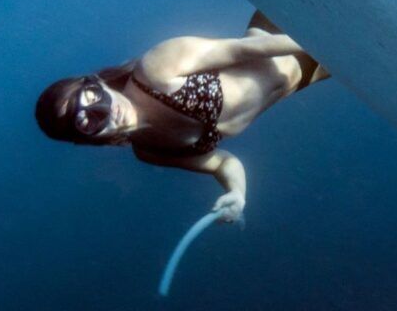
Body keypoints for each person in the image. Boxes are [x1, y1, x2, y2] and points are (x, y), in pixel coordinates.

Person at [34, 12, 327, 223]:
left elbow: (243, 49)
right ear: (88, 139)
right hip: (305, 76)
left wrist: (321, 41)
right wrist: (238, 194)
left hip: (287, 31)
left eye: (91, 97)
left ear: (96, 82)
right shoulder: (152, 151)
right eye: (86, 122)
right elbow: (222, 163)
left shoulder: (155, 70)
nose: (106, 110)